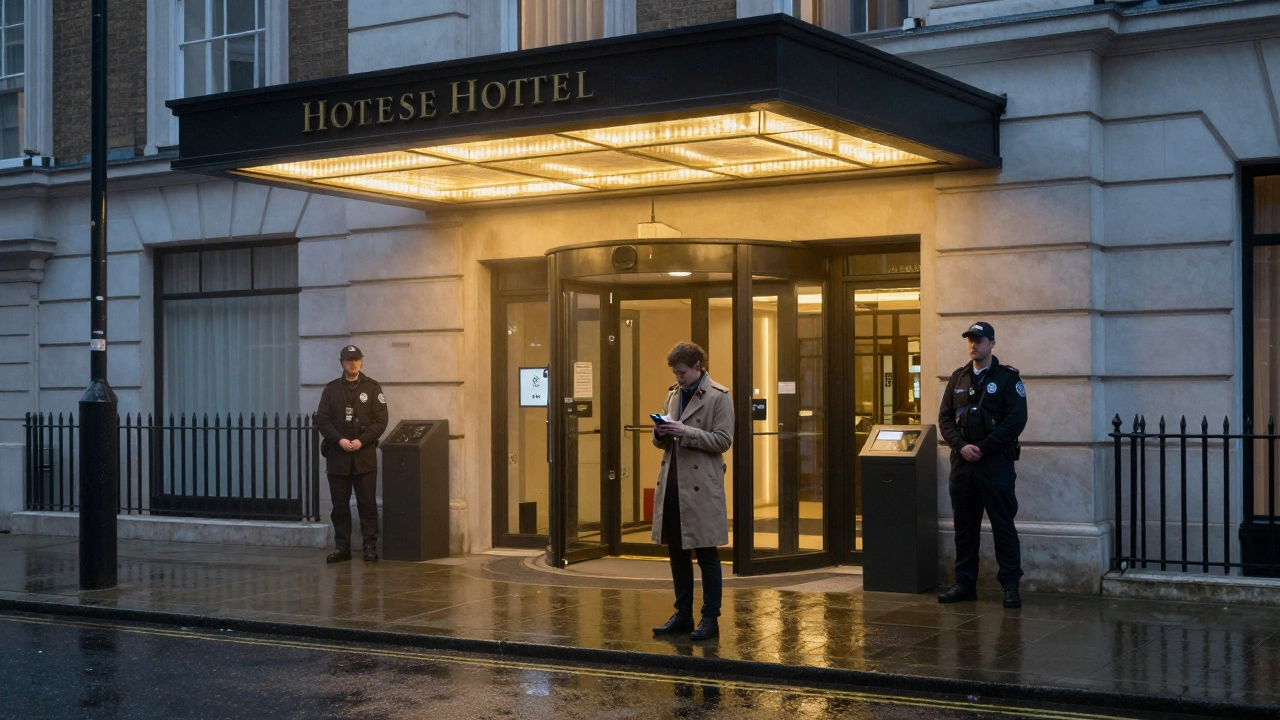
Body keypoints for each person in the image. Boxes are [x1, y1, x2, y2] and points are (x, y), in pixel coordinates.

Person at [937, 322, 1028, 608]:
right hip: (963, 464)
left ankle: (1010, 586)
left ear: (992, 344)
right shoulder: (958, 378)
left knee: (1003, 526)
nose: (973, 345)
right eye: (970, 340)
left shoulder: (1007, 378)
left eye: (979, 340)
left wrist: (983, 448)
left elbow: (1016, 421)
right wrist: (962, 447)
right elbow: (945, 419)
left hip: (995, 464)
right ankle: (965, 584)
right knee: (964, 527)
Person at [650, 341, 733, 641]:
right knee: (677, 553)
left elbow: (724, 441)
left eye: (682, 372)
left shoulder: (719, 396)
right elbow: (661, 440)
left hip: (701, 487)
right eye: (675, 372)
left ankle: (710, 618)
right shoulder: (673, 394)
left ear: (698, 366)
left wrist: (686, 432)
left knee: (707, 553)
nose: (679, 378)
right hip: (673, 482)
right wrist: (659, 432)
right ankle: (683, 615)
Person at [316, 345, 388, 564]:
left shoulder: (373, 388)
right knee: (340, 505)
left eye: (356, 359)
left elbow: (381, 421)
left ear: (362, 362)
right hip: (338, 457)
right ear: (342, 363)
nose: (353, 363)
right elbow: (322, 420)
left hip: (363, 457)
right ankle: (342, 547)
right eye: (349, 360)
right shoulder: (331, 390)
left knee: (367, 504)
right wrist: (339, 439)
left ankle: (369, 547)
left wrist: (361, 441)